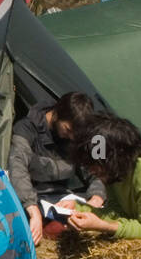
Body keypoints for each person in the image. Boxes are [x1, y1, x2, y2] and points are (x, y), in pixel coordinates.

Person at [8, 92, 106, 245]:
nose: (71, 137)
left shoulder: (79, 134)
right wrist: (32, 210)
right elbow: (18, 169)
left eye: (75, 134)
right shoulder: (26, 128)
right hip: (34, 196)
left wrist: (97, 196)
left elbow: (96, 169)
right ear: (56, 114)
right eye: (67, 129)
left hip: (67, 197)